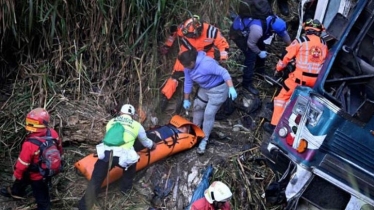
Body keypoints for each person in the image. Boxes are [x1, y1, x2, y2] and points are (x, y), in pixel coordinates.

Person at [78, 104, 157, 210]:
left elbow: (112, 137)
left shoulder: (111, 122)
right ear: (133, 115)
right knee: (131, 168)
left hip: (107, 154)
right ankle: (125, 191)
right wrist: (153, 145)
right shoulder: (137, 125)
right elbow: (146, 142)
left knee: (96, 180)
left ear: (120, 113)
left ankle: (83, 206)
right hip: (124, 157)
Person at [263, 19, 328, 133]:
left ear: (307, 29)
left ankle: (274, 126)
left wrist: (278, 69)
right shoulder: (324, 44)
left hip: (299, 79)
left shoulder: (300, 41)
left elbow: (286, 57)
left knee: (281, 99)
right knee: (302, 103)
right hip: (315, 82)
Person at [159, 15, 229, 109]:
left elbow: (222, 43)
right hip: (186, 54)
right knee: (176, 75)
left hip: (206, 54)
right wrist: (167, 45)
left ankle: (202, 95)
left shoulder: (211, 31)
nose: (189, 37)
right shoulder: (183, 29)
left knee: (206, 74)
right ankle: (165, 98)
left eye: (191, 36)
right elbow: (173, 34)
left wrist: (223, 57)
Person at [0, 108, 63, 210]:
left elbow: (22, 164)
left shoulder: (29, 144)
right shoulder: (53, 133)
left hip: (36, 176)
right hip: (45, 170)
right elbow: (59, 149)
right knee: (24, 182)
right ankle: (16, 191)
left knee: (41, 198)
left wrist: (16, 175)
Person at [178, 48, 238, 155]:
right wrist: (186, 99)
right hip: (205, 88)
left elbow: (224, 72)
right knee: (197, 106)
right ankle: (196, 130)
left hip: (218, 89)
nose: (185, 68)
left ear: (192, 62)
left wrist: (231, 88)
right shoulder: (188, 68)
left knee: (208, 114)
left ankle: (204, 139)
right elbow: (188, 83)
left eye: (186, 66)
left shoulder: (206, 64)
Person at [231, 15, 291, 95]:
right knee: (251, 56)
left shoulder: (275, 20)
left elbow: (284, 35)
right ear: (272, 30)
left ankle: (259, 71)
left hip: (252, 32)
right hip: (238, 33)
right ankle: (246, 83)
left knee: (262, 46)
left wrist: (291, 48)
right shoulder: (258, 30)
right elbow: (251, 44)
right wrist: (259, 52)